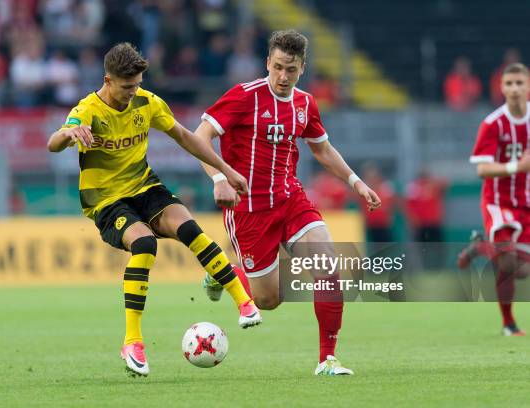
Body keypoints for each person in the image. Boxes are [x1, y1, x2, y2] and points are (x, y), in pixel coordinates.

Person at [47, 43, 261, 377]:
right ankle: (132, 341)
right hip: (105, 200)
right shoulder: (88, 109)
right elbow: (54, 143)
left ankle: (243, 301)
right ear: (108, 79)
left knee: (188, 226)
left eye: (138, 84)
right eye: (127, 86)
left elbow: (186, 137)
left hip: (144, 186)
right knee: (145, 244)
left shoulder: (147, 102)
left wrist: (226, 171)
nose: (134, 91)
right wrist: (68, 133)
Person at [195, 30, 381, 376]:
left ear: (302, 68)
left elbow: (322, 150)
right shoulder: (243, 97)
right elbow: (200, 136)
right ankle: (225, 274)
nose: (283, 77)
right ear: (267, 62)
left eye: (291, 70)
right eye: (278, 67)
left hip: (290, 199)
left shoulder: (305, 103)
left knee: (327, 266)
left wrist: (356, 182)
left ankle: (327, 359)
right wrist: (219, 178)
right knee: (269, 300)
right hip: (248, 210)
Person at [458, 62, 530, 336]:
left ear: (527, 85)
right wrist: (516, 167)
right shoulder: (493, 123)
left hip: (526, 202)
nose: (514, 89)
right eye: (509, 84)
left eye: (519, 83)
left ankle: (480, 247)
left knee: (521, 271)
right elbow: (482, 169)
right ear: (501, 88)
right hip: (498, 202)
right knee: (509, 263)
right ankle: (508, 324)